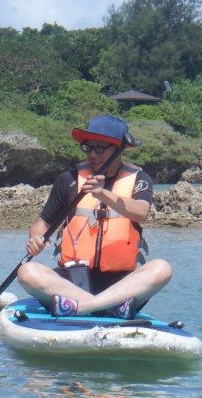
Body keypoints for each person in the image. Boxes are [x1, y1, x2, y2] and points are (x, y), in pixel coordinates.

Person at [16, 115, 172, 319]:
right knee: (27, 272)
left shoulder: (139, 179)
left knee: (162, 268)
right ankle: (108, 307)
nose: (92, 154)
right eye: (88, 147)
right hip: (72, 280)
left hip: (122, 282)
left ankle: (83, 307)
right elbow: (43, 222)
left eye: (100, 148)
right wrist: (35, 238)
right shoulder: (69, 179)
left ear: (118, 149)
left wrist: (102, 193)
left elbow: (141, 212)